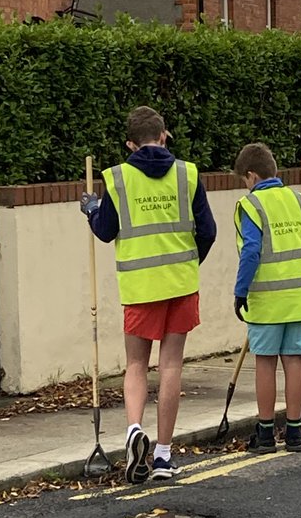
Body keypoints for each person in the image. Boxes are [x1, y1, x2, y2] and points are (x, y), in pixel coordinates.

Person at [81, 106, 216, 483]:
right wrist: (189, 264)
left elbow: (105, 231)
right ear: (164, 135)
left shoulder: (118, 178)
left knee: (136, 365)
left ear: (130, 144)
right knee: (170, 366)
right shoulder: (188, 174)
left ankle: (133, 430)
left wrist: (92, 210)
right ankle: (162, 455)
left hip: (140, 287)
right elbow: (208, 231)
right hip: (181, 285)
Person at [232, 143, 301, 453]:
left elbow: (251, 250)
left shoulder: (251, 204)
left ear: (251, 176)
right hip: (298, 299)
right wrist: (296, 260)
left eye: (244, 180)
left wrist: (240, 291)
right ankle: (294, 433)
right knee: (294, 361)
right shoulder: (298, 200)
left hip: (267, 301)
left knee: (265, 363)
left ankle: (265, 434)